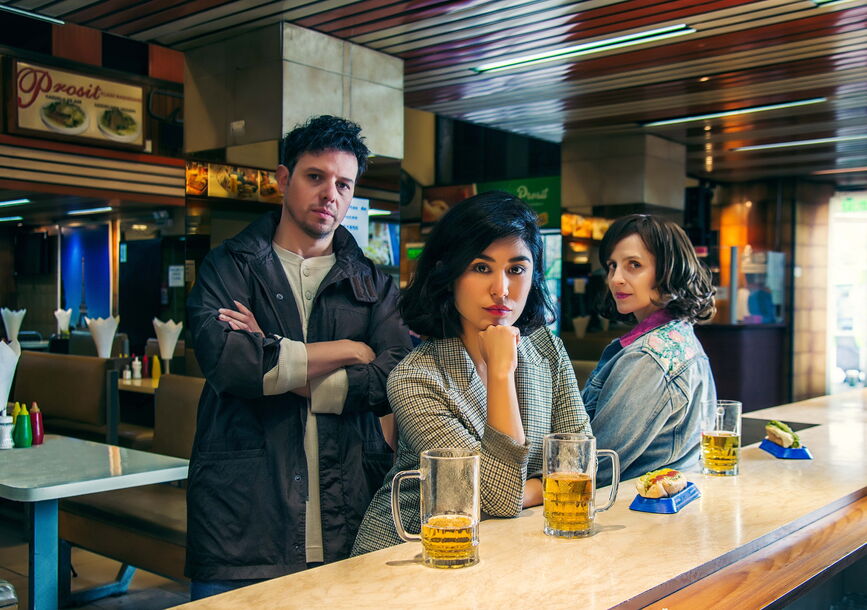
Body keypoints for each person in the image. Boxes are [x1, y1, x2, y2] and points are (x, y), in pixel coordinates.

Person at [185, 115, 412, 598]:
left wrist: (278, 357)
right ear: (284, 179)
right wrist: (349, 350)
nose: (331, 194)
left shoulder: (374, 284)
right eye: (316, 177)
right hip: (243, 520)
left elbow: (395, 375)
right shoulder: (230, 266)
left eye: (344, 184)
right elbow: (229, 363)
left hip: (348, 510)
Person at [352, 191, 590, 556]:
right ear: (449, 274)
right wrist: (500, 372)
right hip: (409, 556)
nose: (501, 289)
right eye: (481, 268)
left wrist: (518, 494)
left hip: (510, 552)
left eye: (516, 269)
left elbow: (581, 467)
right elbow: (501, 496)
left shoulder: (547, 351)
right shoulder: (415, 378)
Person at [581, 214, 717, 482]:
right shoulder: (678, 335)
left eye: (634, 265)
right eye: (612, 266)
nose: (616, 279)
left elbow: (595, 462)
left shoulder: (650, 356)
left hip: (631, 511)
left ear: (669, 270)